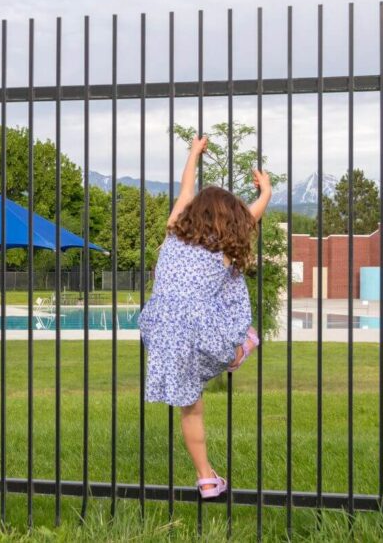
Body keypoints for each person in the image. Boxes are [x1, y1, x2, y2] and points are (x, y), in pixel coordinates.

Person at [139, 135, 270, 499]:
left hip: (161, 327)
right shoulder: (222, 246)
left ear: (194, 211)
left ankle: (207, 480)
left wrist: (194, 154)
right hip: (197, 327)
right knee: (231, 285)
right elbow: (251, 216)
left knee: (191, 409)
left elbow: (184, 189)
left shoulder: (173, 230)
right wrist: (265, 194)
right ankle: (240, 348)